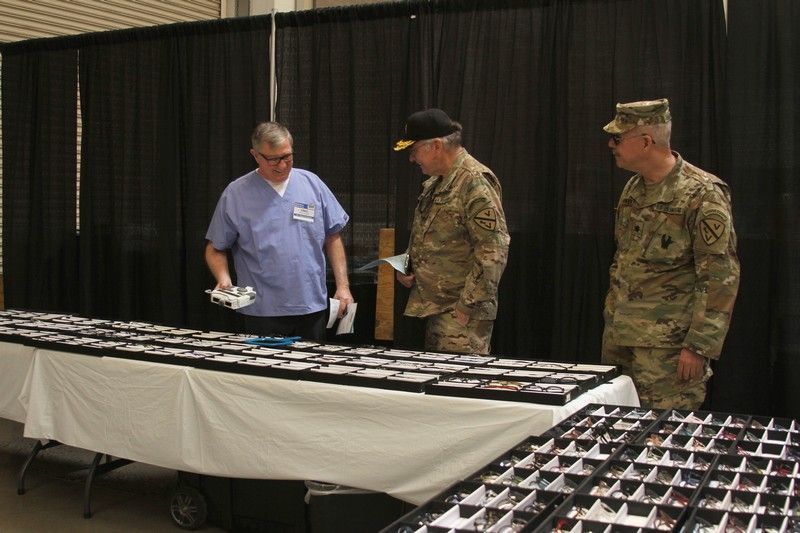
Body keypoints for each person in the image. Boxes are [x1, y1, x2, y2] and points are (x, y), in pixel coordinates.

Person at [601, 98, 740, 410]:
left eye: (618, 138)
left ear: (646, 142)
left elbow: (720, 277)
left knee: (661, 433)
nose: (611, 144)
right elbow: (624, 261)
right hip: (621, 339)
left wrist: (699, 346)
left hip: (668, 352)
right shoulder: (633, 189)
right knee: (615, 427)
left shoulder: (702, 194)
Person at [205, 121, 353, 341]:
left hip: (310, 305)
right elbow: (215, 247)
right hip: (262, 309)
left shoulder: (312, 184)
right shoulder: (236, 193)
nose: (282, 165)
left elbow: (333, 236)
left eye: (287, 157)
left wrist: (343, 286)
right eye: (273, 159)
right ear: (255, 155)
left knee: (310, 362)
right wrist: (223, 278)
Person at [393, 108, 510, 354]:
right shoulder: (436, 183)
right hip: (436, 307)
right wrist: (407, 265)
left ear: (436, 146)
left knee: (457, 376)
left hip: (461, 315)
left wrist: (465, 308)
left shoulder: (474, 182)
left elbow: (493, 253)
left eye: (414, 150)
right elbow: (431, 236)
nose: (412, 159)